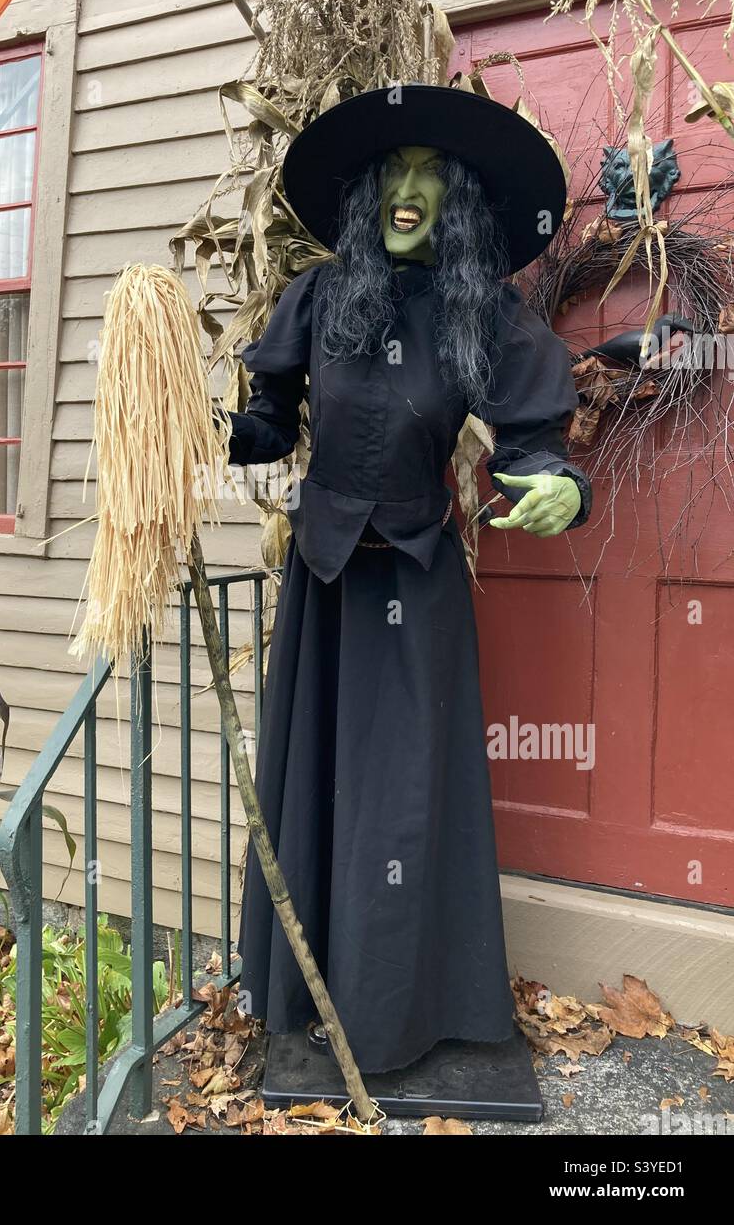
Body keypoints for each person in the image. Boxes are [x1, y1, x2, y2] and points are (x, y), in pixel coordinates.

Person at [227, 84, 591, 1074]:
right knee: (318, 784)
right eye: (395, 171)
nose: (409, 189)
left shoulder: (484, 317)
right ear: (369, 191)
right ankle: (303, 1001)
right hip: (327, 581)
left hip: (418, 587)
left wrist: (561, 486)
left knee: (401, 802)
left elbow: (533, 443)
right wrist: (205, 428)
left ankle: (398, 1013)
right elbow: (266, 423)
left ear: (458, 204)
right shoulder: (316, 298)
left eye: (432, 176)